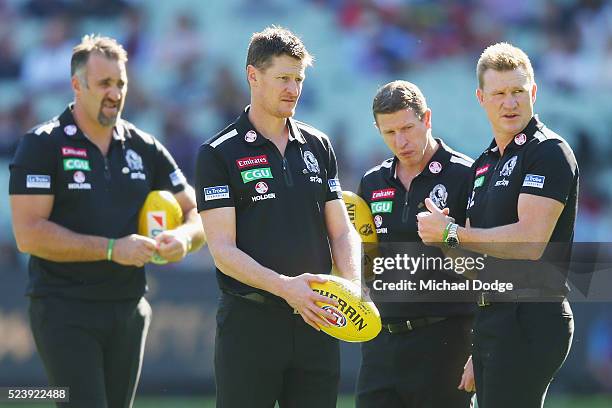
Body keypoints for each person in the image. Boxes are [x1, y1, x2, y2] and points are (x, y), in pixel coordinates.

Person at [9, 35, 205, 408]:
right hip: (64, 309)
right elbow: (28, 234)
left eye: (121, 83)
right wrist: (113, 249)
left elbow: (197, 212)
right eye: (104, 83)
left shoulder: (144, 147)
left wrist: (183, 237)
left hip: (129, 308)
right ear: (76, 85)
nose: (114, 93)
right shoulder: (42, 145)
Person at [195, 26, 361, 408]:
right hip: (250, 324)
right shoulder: (218, 153)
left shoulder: (318, 145)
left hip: (317, 319)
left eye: (299, 79)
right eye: (283, 78)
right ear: (253, 75)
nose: (293, 89)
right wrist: (287, 288)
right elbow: (222, 250)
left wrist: (352, 282)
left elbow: (341, 229)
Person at [417, 42, 577, 408]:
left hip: (532, 315)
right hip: (494, 318)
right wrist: (444, 240)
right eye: (500, 94)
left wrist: (453, 232)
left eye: (518, 92)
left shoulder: (548, 151)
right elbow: (476, 265)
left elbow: (531, 242)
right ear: (481, 98)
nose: (510, 103)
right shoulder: (483, 164)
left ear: (533, 92)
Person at [356, 80, 475, 408]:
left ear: (427, 119)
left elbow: (488, 261)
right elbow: (367, 257)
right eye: (389, 132)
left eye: (408, 127)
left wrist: (480, 349)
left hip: (446, 341)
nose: (401, 141)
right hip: (382, 342)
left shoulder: (465, 175)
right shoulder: (372, 181)